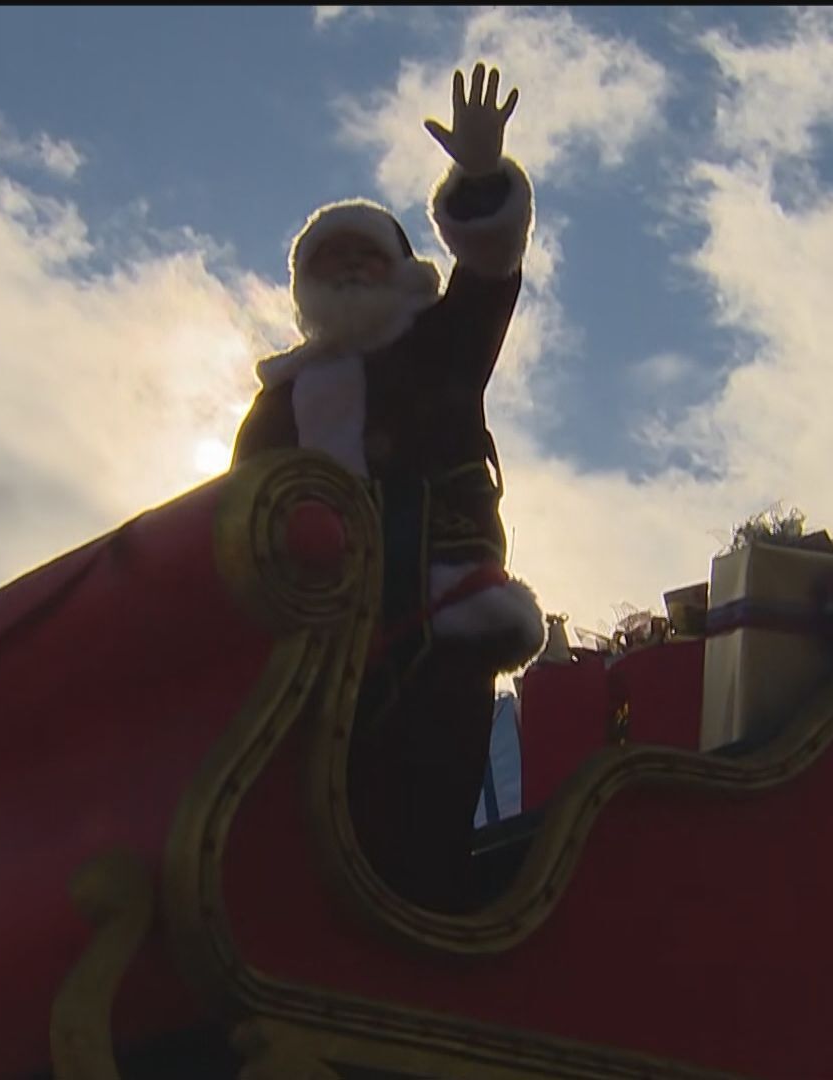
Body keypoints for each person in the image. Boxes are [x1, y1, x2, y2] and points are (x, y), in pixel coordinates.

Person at [232, 62, 542, 910]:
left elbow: (488, 272)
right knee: (309, 816)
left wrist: (480, 178)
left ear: (400, 270)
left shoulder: (440, 346)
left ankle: (429, 945)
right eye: (329, 262)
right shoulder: (280, 401)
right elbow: (234, 517)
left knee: (424, 812)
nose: (348, 271)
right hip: (313, 646)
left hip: (435, 626)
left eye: (364, 256)